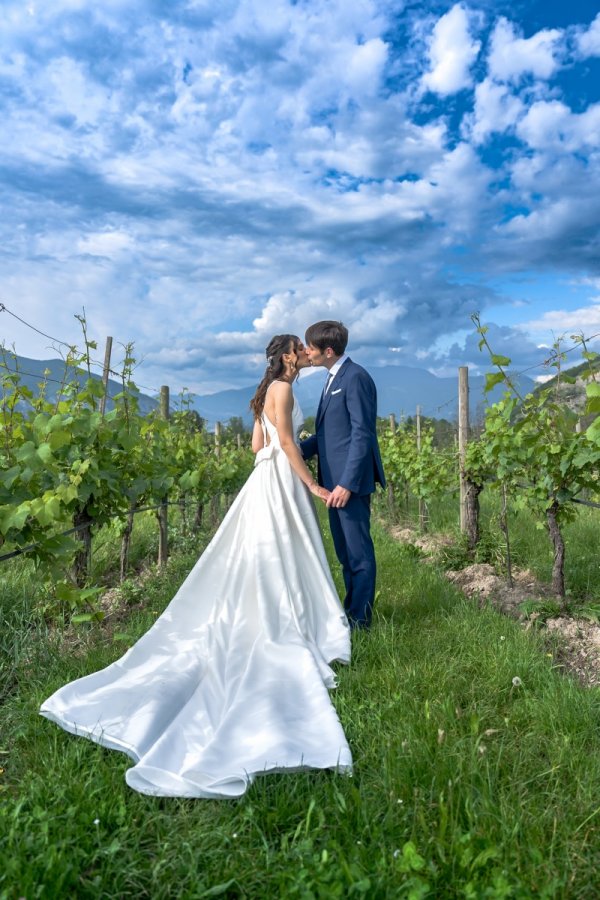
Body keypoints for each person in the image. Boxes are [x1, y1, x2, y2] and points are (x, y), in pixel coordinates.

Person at [40, 334, 351, 799]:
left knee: (265, 553)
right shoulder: (283, 390)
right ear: (289, 356)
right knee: (283, 550)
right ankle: (292, 619)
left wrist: (278, 456)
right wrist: (311, 485)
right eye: (300, 349)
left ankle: (273, 610)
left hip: (261, 480)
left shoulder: (267, 391)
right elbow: (285, 443)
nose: (307, 353)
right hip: (282, 479)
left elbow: (254, 446)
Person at [300, 321, 385, 630]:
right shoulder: (332, 378)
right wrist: (291, 451)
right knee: (345, 552)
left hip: (349, 483)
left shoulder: (356, 378)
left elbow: (362, 434)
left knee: (358, 553)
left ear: (328, 351)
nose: (307, 351)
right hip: (333, 482)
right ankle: (351, 613)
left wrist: (347, 483)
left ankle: (361, 621)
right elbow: (327, 435)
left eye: (310, 346)